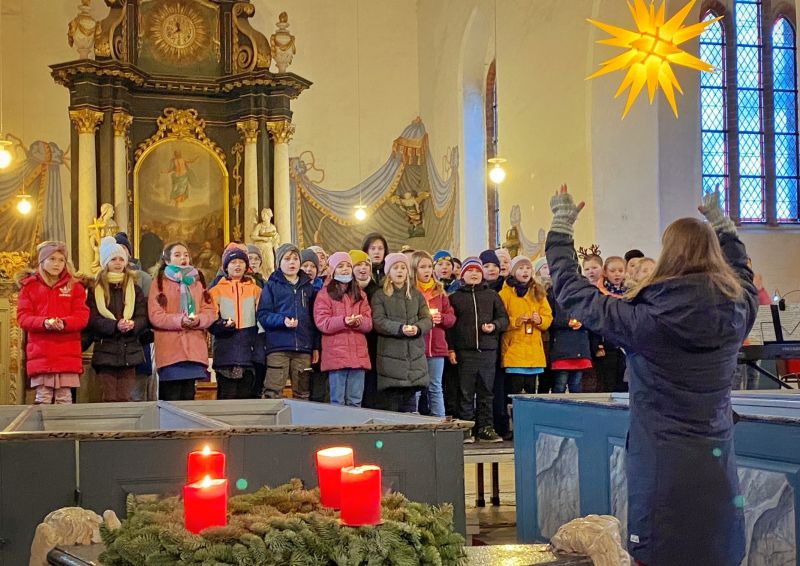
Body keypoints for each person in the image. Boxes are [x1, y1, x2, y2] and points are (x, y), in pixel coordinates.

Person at [545, 185, 757, 566]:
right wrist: (723, 226)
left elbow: (575, 294)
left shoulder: (645, 321)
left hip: (662, 458)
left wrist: (561, 230)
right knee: (716, 548)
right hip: (715, 454)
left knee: (662, 549)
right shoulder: (738, 307)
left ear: (667, 257)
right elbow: (741, 272)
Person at [17, 241, 89, 404]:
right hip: (42, 352)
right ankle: (45, 431)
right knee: (43, 397)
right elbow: (23, 317)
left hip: (66, 350)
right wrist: (44, 323)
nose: (57, 264)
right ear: (42, 261)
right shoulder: (30, 287)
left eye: (61, 260)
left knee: (64, 397)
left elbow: (82, 316)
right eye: (52, 259)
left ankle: (63, 430)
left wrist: (64, 323)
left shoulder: (74, 286)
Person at [448, 257, 509, 443]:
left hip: (487, 351)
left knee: (486, 392)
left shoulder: (492, 296)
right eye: (469, 271)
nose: (473, 274)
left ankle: (485, 428)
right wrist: (451, 349)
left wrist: (494, 326)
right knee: (465, 392)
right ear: (462, 275)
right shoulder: (455, 298)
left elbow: (504, 319)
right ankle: (467, 427)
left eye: (476, 271)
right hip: (465, 351)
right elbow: (450, 327)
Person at [148, 242, 216, 401]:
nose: (183, 258)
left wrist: (198, 320)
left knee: (188, 398)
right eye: (177, 255)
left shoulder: (197, 282)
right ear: (167, 260)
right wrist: (180, 320)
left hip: (193, 349)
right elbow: (155, 315)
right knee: (171, 399)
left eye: (185, 254)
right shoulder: (159, 283)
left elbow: (210, 311)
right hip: (170, 350)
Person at [87, 237, 148, 402]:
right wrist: (115, 325)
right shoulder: (96, 289)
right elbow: (93, 318)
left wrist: (133, 324)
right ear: (106, 262)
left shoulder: (134, 289)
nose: (118, 262)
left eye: (121, 259)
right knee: (109, 397)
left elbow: (143, 316)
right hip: (105, 350)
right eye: (113, 259)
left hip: (130, 350)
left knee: (125, 397)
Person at [371, 253, 432, 412]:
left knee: (410, 407)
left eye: (403, 268)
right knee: (392, 407)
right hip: (390, 359)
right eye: (395, 268)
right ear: (388, 272)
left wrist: (418, 328)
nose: (400, 271)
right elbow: (378, 321)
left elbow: (427, 318)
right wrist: (400, 328)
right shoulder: (380, 295)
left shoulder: (416, 295)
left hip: (414, 357)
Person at [257, 243, 319, 400]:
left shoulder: (308, 288)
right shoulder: (271, 286)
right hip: (278, 347)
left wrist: (316, 346)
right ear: (279, 262)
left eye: (295, 259)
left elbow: (315, 320)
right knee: (273, 391)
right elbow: (263, 315)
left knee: (303, 393)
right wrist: (282, 320)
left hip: (303, 347)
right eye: (287, 259)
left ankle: (301, 424)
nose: (292, 262)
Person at [314, 252, 373, 407]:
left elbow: (369, 323)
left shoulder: (360, 294)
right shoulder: (324, 294)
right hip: (336, 355)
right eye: (340, 266)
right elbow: (322, 322)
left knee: (355, 401)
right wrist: (343, 321)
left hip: (358, 356)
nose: (345, 269)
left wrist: (358, 322)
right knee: (337, 401)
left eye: (348, 266)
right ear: (332, 270)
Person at [208, 248, 262, 399]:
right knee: (227, 396)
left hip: (248, 350)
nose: (237, 265)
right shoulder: (216, 291)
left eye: (241, 262)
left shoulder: (256, 290)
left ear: (246, 266)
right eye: (233, 262)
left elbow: (262, 318)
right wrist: (222, 325)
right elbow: (211, 320)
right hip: (226, 350)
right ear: (226, 267)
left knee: (246, 397)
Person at [499, 256, 553, 395]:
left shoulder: (538, 292)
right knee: (514, 390)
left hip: (533, 350)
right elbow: (500, 317)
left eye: (528, 268)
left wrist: (540, 320)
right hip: (514, 349)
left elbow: (548, 316)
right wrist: (515, 321)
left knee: (530, 390)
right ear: (513, 272)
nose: (525, 271)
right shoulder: (505, 294)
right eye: (521, 268)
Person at [412, 251, 456, 417]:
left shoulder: (440, 291)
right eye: (422, 267)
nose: (427, 270)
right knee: (416, 388)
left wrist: (441, 318)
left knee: (435, 386)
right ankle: (413, 421)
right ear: (415, 269)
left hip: (437, 347)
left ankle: (440, 421)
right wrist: (423, 320)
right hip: (417, 346)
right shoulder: (411, 292)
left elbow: (451, 318)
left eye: (429, 266)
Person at [115, 232, 155, 400]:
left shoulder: (143, 279)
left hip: (138, 343)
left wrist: (135, 325)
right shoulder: (101, 281)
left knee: (137, 397)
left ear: (129, 253)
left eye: (123, 249)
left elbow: (148, 312)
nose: (119, 256)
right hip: (113, 345)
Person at [351, 249, 380, 408]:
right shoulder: (345, 291)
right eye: (358, 265)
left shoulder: (378, 290)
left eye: (366, 264)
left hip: (374, 343)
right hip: (354, 342)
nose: (363, 268)